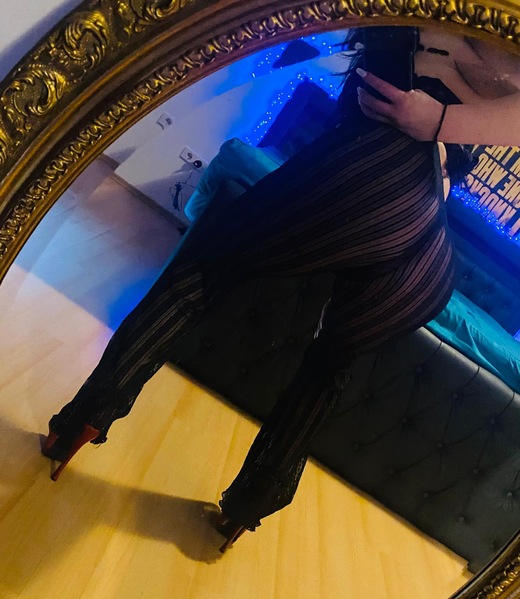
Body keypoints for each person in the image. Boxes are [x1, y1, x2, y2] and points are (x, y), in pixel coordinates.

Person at [42, 26, 520, 552]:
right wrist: (445, 130)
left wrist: (438, 121)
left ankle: (84, 419)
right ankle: (250, 506)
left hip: (377, 177)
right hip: (425, 250)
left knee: (201, 276)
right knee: (327, 368)